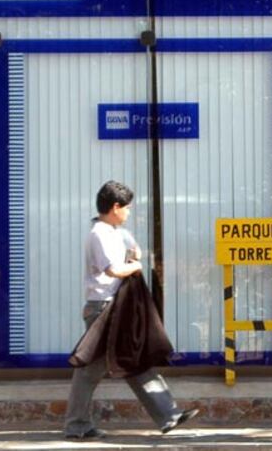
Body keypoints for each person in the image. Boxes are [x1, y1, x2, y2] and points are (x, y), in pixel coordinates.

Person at [64, 181, 198, 440]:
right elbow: (113, 269)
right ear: (115, 207)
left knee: (131, 361)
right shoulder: (99, 234)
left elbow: (133, 250)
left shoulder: (115, 231)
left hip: (116, 306)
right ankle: (76, 425)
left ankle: (167, 414)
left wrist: (134, 254)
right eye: (127, 208)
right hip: (103, 309)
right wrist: (135, 267)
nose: (129, 212)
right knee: (91, 370)